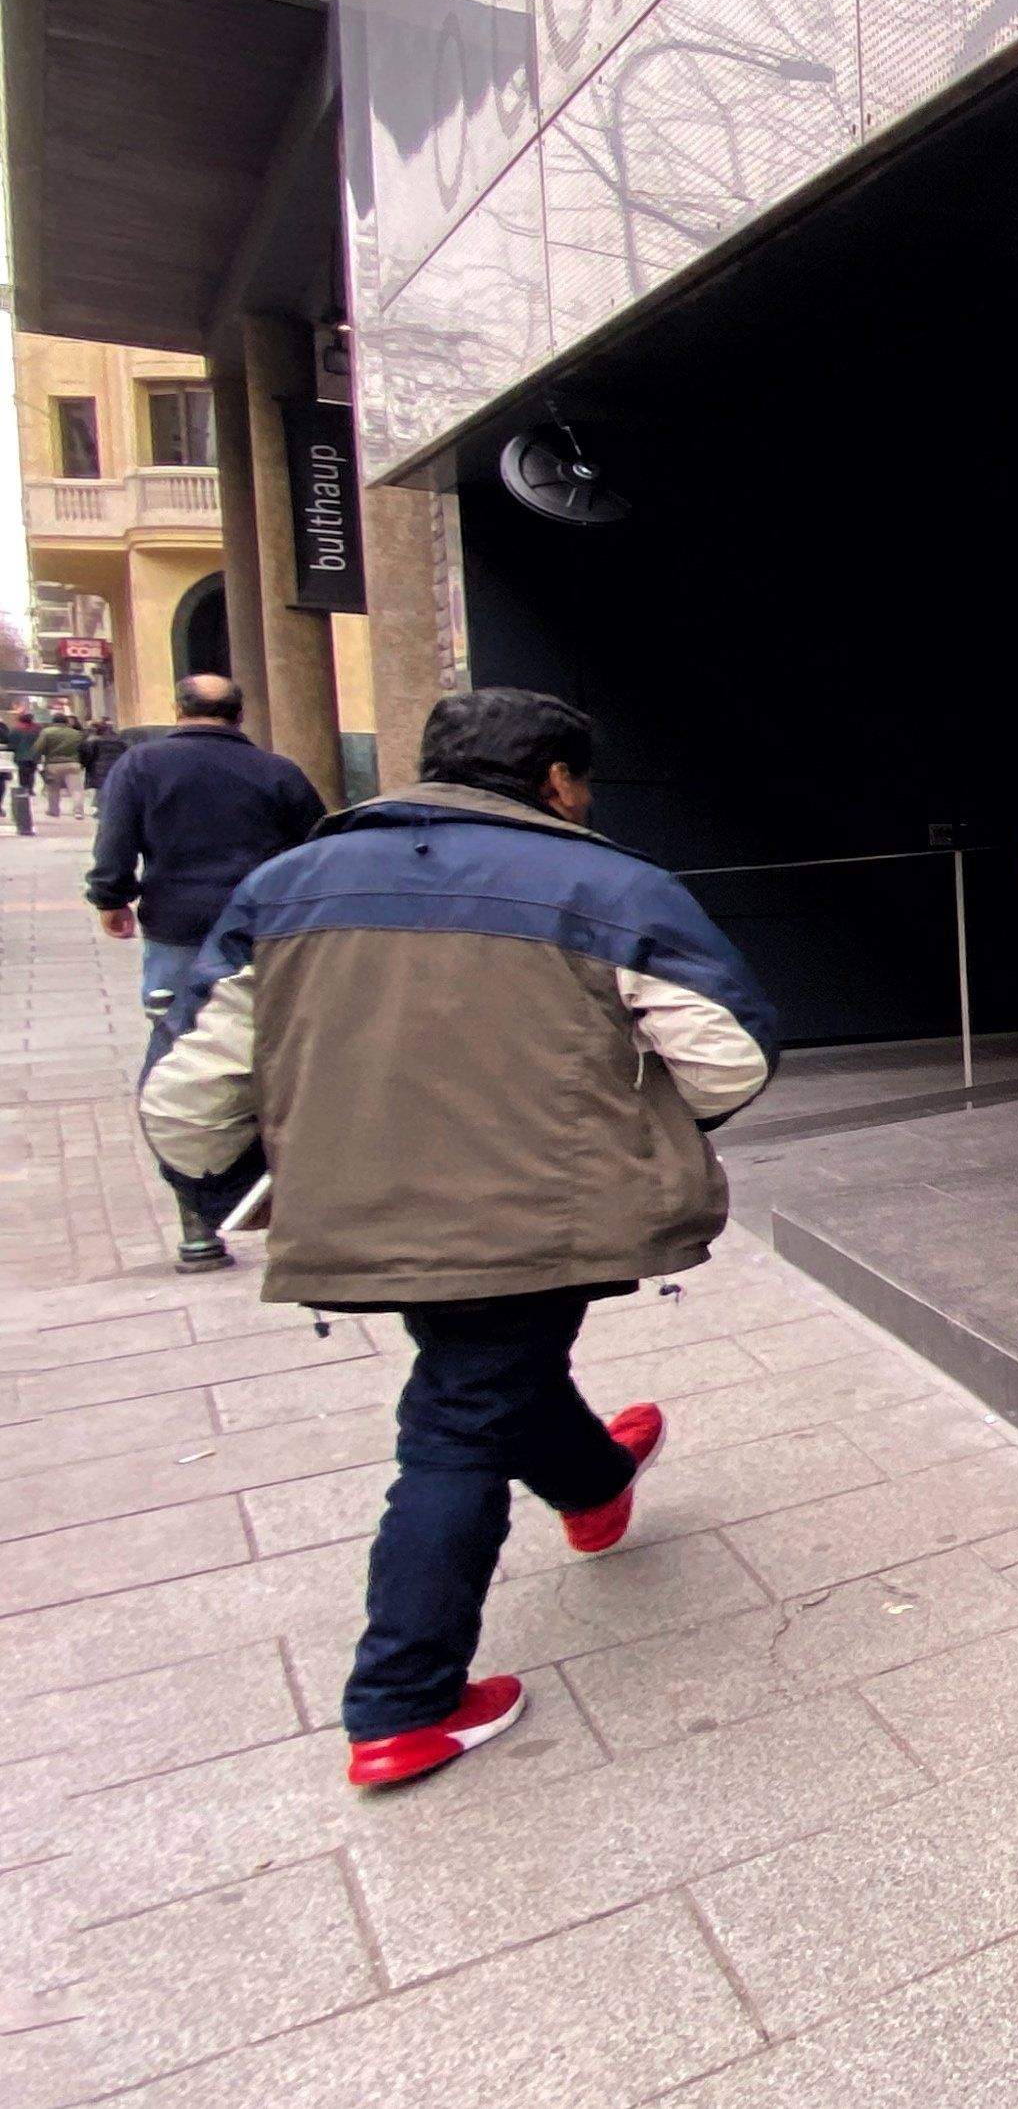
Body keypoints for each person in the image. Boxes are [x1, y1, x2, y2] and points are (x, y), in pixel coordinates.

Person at [138, 688, 778, 1792]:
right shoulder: (610, 884)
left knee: (480, 1373)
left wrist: (222, 1182)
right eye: (582, 783)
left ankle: (591, 1480)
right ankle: (405, 1700)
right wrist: (644, 1125)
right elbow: (729, 1057)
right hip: (546, 1207)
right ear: (558, 780)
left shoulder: (285, 886)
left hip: (364, 1202)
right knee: (456, 1421)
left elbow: (189, 1089)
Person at [89, 675, 329, 1261]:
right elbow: (317, 848)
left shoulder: (142, 766)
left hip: (180, 930)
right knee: (277, 1054)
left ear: (179, 708)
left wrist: (111, 898)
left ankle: (198, 1223)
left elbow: (115, 840)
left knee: (181, 1066)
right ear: (239, 714)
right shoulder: (278, 772)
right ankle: (289, 1197)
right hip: (263, 932)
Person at [33, 707, 86, 820]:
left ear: (53, 721)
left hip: (53, 764)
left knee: (53, 789)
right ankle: (78, 811)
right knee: (76, 789)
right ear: (66, 722)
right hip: (73, 763)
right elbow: (83, 749)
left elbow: (39, 748)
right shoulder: (76, 734)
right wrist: (82, 762)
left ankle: (54, 810)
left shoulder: (47, 732)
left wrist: (36, 760)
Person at [6, 707, 39, 835]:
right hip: (34, 756)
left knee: (22, 774)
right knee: (31, 773)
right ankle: (30, 788)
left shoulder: (16, 730)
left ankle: (24, 788)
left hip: (21, 757)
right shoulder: (37, 730)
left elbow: (11, 745)